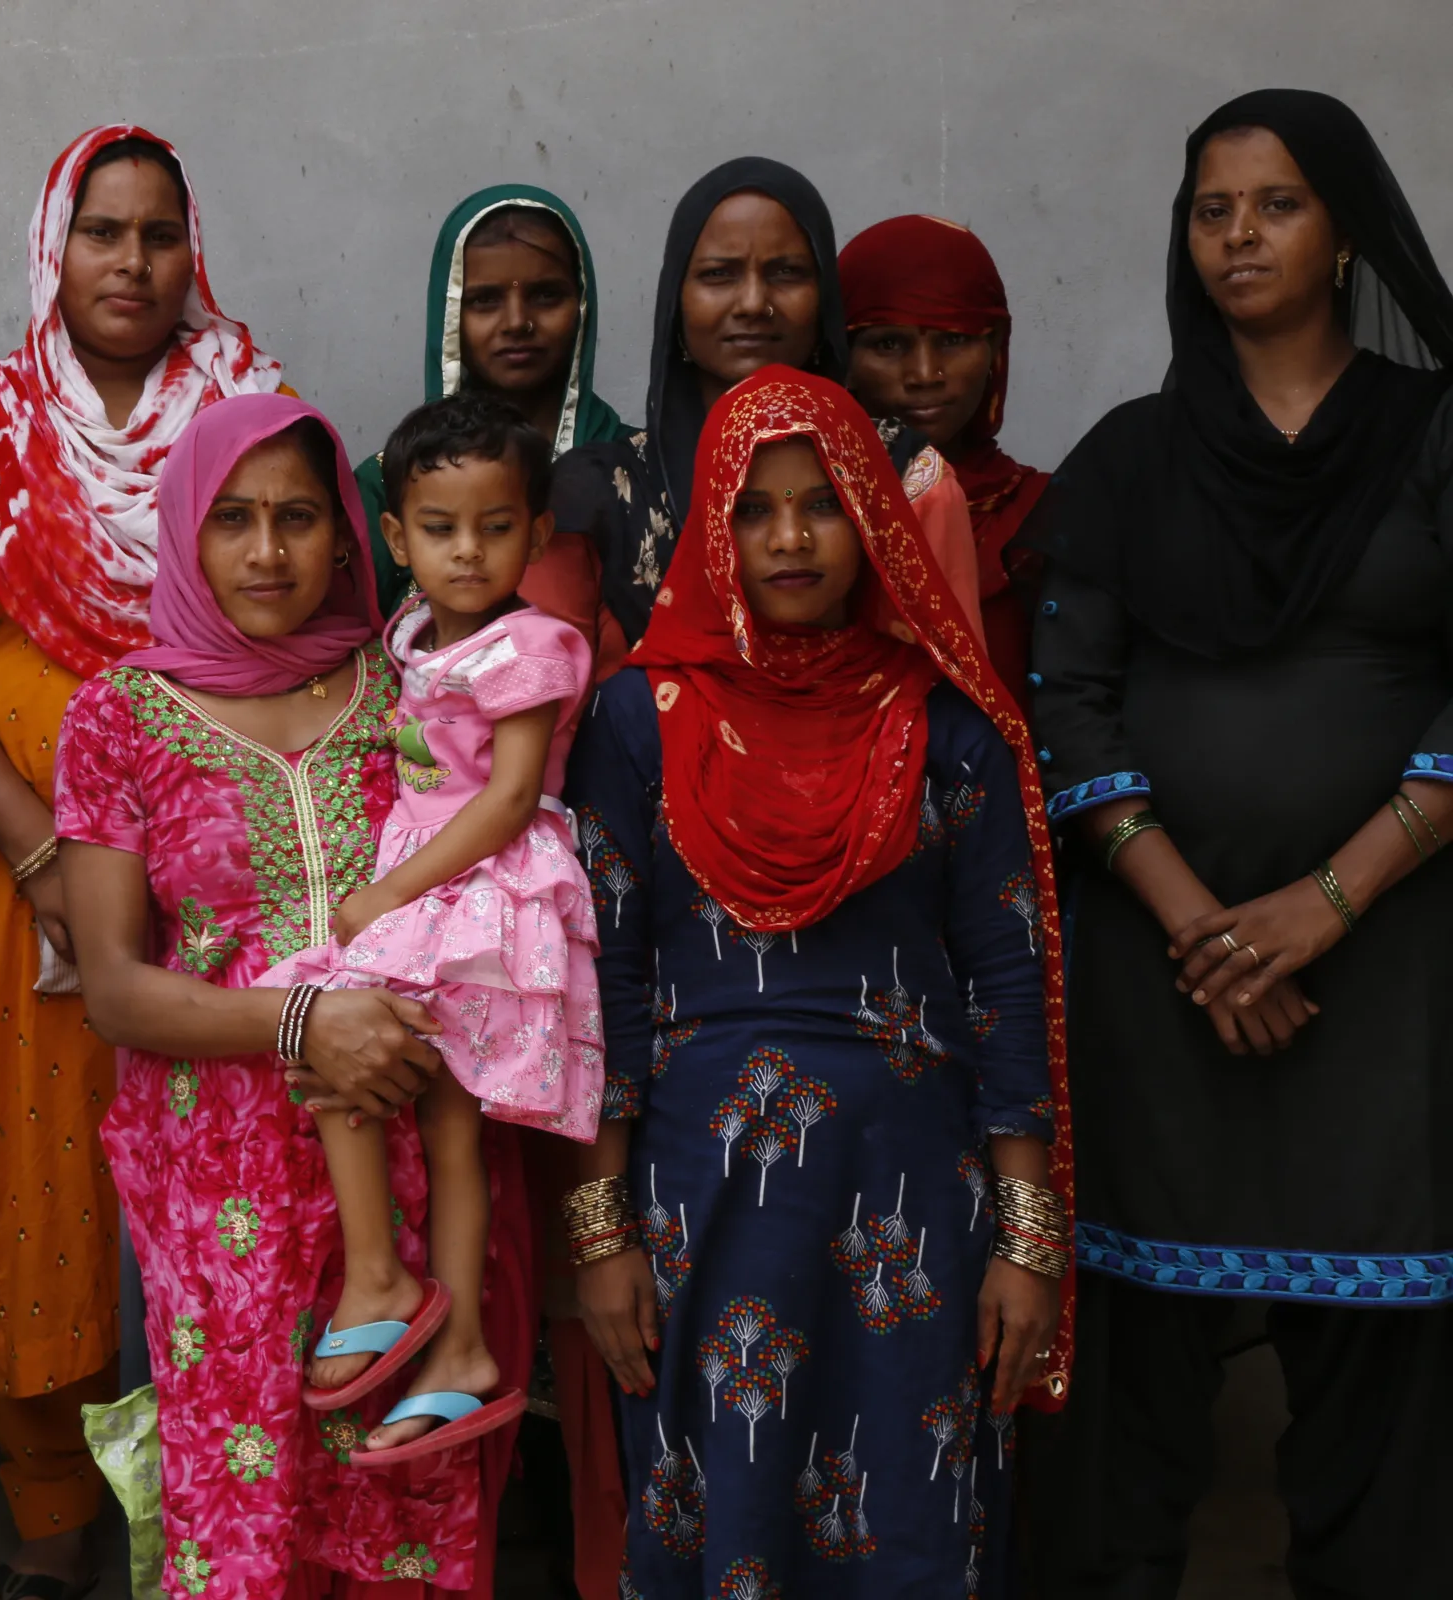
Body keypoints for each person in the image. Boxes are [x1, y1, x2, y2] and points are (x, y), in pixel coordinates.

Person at [1023, 89, 1453, 1596]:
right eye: (1212, 210)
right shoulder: (1132, 458)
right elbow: (1067, 701)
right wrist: (1209, 925)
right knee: (1128, 1381)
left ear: (1344, 234)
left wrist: (1324, 904)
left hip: (1392, 978)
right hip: (1163, 985)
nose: (1239, 237)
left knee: (1387, 1381)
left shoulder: (1434, 436)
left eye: (1275, 205)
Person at [565, 366, 1071, 1597]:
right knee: (713, 1507)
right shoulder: (639, 719)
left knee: (911, 1520)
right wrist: (599, 1229)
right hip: (699, 1195)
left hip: (911, 1192)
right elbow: (604, 984)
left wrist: (1030, 1235)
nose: (789, 537)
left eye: (822, 502)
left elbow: (1007, 974)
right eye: (755, 507)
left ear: (871, 519)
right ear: (710, 527)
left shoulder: (947, 722)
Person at [0, 125, 283, 1598]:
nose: (131, 262)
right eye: (101, 232)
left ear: (192, 250)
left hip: (218, 889)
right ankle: (50, 1535)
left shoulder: (253, 421)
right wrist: (46, 848)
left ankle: (221, 1527)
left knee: (222, 1191)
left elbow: (301, 625)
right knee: (32, 1195)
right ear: (56, 246)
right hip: (7, 882)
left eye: (158, 234)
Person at [58, 391, 518, 1594]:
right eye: (236, 520)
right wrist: (308, 1018)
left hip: (416, 1148)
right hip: (220, 1189)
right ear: (187, 535)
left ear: (349, 533)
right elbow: (112, 988)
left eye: (301, 518)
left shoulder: (413, 685)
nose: (269, 553)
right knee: (247, 1505)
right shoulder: (119, 718)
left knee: (400, 1498)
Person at [258, 392, 599, 1466]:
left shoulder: (531, 644)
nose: (468, 552)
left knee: (335, 1039)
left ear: (537, 535)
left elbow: (505, 801)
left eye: (497, 528)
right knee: (437, 1121)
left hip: (476, 893)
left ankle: (393, 1287)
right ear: (398, 537)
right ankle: (451, 1344)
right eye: (441, 529)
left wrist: (382, 898)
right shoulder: (408, 640)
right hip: (438, 887)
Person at [549, 159, 981, 654]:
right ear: (676, 302)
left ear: (825, 299)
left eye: (787, 272)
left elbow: (950, 693)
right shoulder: (597, 495)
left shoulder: (905, 477)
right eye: (719, 274)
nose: (754, 302)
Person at [355, 186, 632, 665]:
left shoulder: (637, 466)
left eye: (546, 295)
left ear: (582, 306)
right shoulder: (388, 483)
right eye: (484, 300)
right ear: (449, 315)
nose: (518, 322)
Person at [842, 215, 1049, 706]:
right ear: (840, 356)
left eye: (953, 339)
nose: (925, 374)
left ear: (995, 347)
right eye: (888, 344)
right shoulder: (804, 521)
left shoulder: (1046, 518)